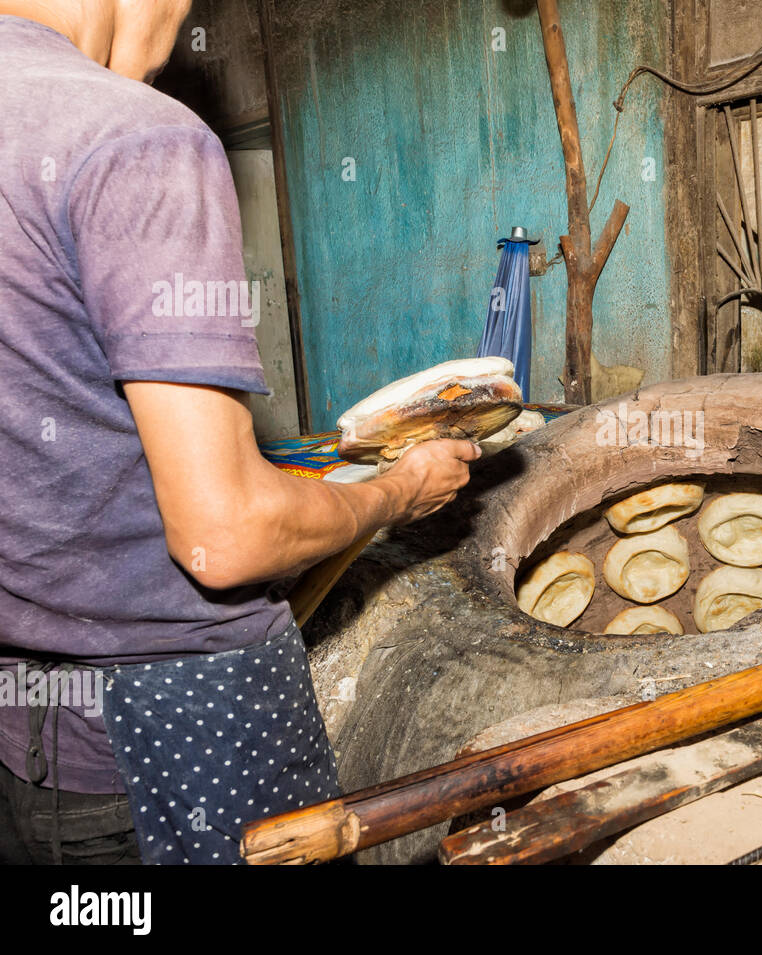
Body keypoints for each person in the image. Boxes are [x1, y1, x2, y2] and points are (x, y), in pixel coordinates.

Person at [0, 0, 479, 864]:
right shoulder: (134, 136)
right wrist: (397, 493)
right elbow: (225, 536)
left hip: (28, 747)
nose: (168, 47)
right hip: (176, 742)